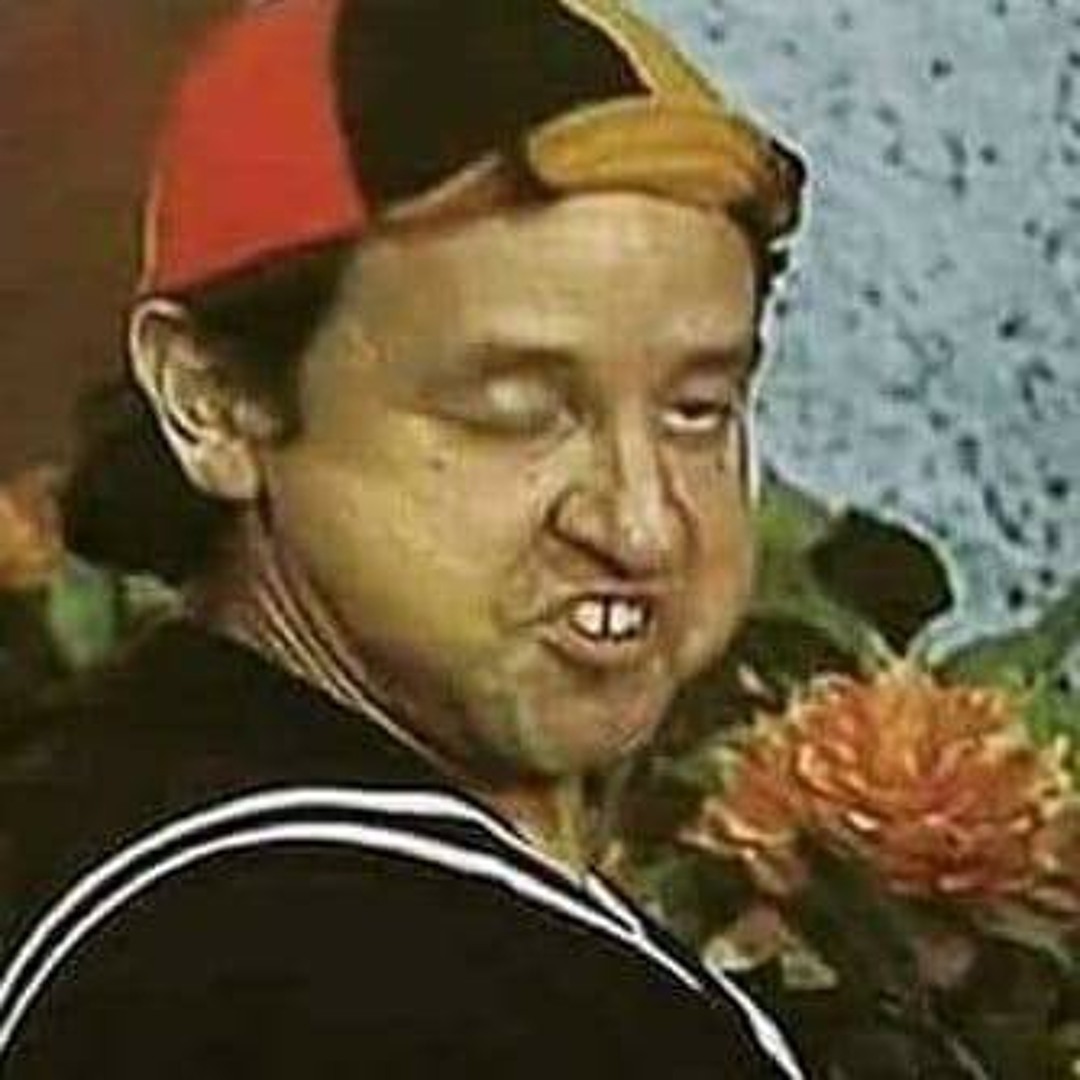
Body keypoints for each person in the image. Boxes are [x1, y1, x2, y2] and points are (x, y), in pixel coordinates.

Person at [0, 0, 808, 1075]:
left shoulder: (110, 816)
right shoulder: (340, 988)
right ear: (212, 399)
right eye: (518, 412)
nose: (642, 523)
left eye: (697, 410)